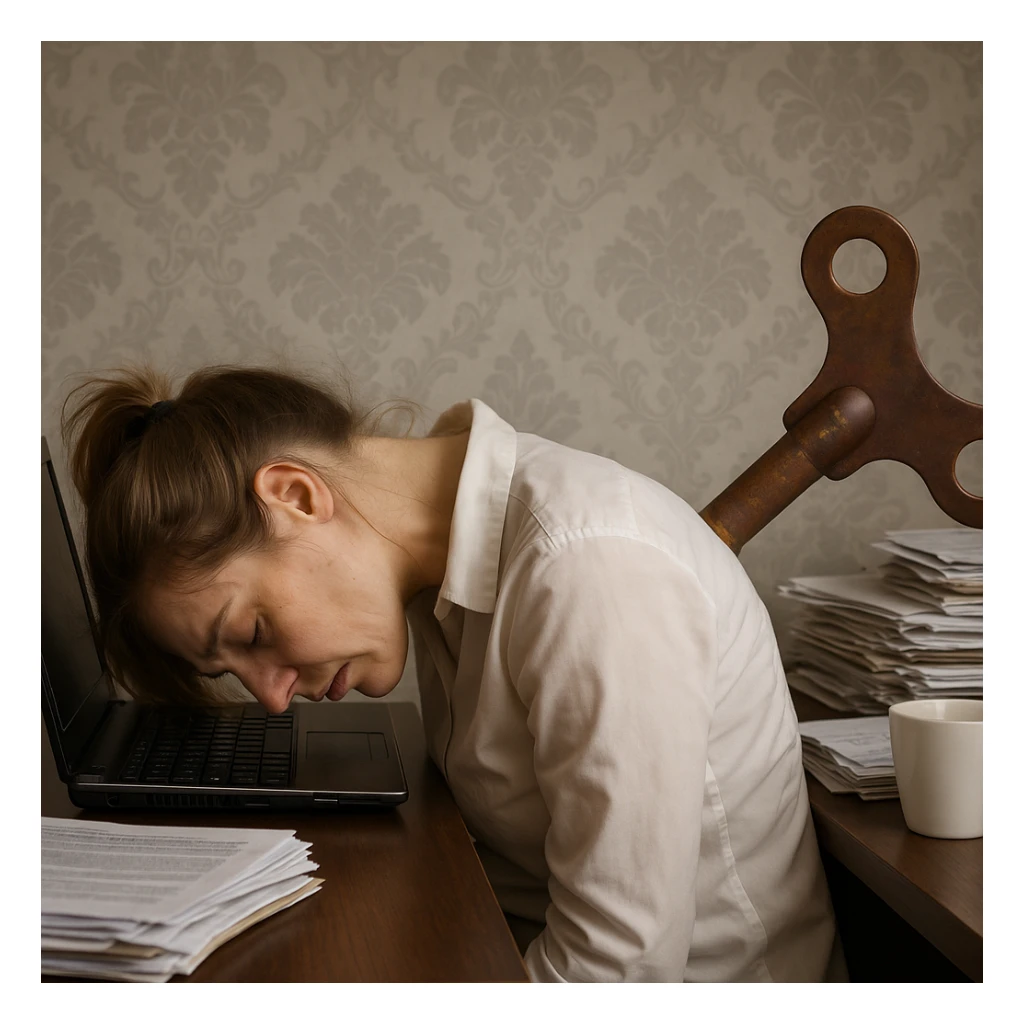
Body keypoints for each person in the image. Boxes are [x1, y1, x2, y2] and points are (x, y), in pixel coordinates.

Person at [61, 362, 843, 983]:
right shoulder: (443, 575)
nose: (271, 697)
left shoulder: (588, 565)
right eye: (230, 669)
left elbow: (619, 973)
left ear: (295, 496)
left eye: (250, 633)